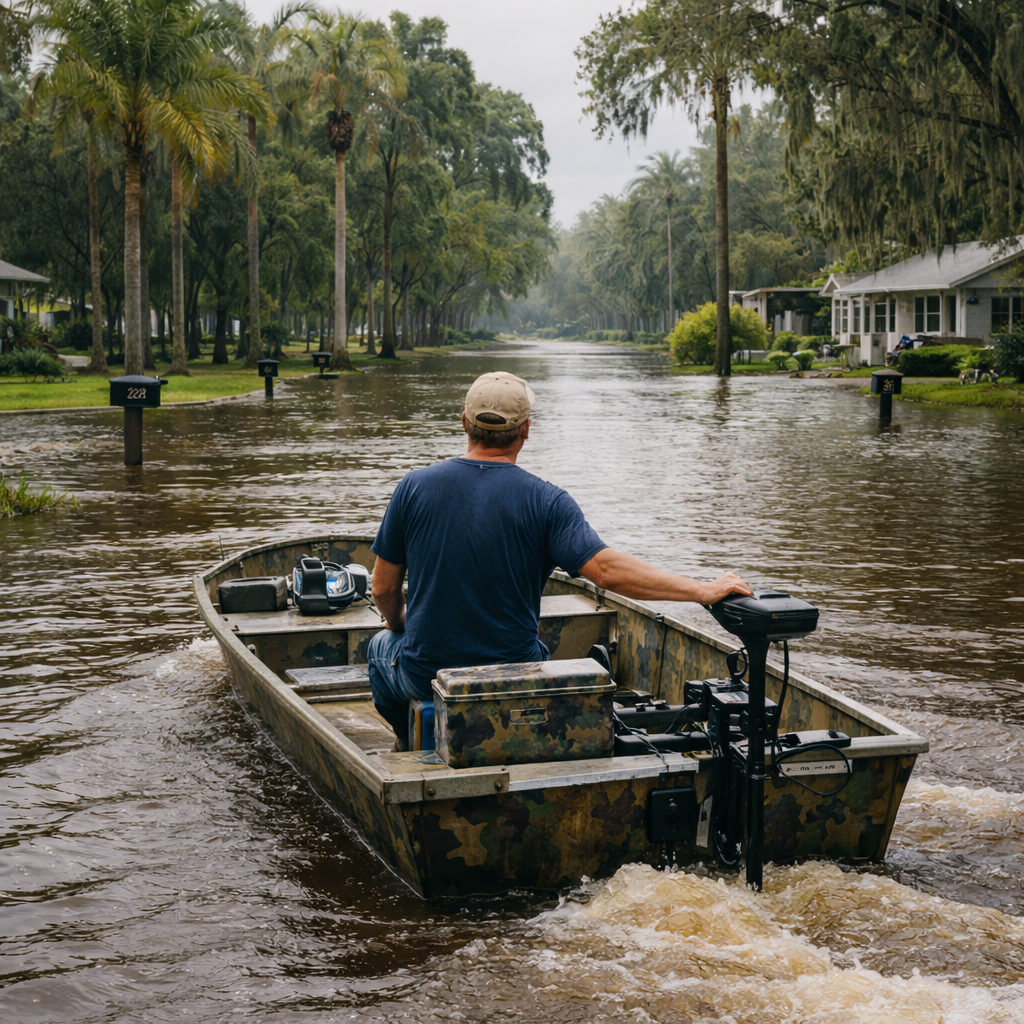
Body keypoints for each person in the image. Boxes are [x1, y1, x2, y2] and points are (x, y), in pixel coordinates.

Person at [367, 371, 753, 748]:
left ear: (464, 422)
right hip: (517, 675)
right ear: (526, 430)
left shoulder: (413, 487)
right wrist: (704, 591)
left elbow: (383, 588)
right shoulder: (547, 501)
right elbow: (606, 572)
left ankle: (408, 738)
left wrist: (399, 622)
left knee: (380, 647)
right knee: (537, 647)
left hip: (428, 675)